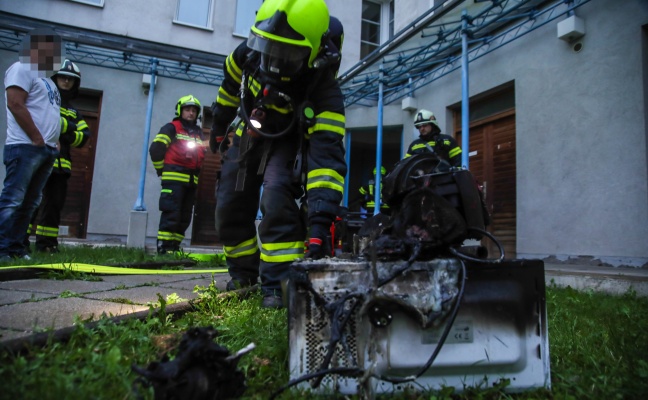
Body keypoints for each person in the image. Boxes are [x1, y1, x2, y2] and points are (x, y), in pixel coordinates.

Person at [209, 0, 346, 308]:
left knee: (277, 198)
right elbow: (229, 90)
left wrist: (320, 222)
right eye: (269, 46)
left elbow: (327, 159)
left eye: (288, 54)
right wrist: (218, 125)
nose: (273, 59)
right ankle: (243, 274)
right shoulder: (246, 56)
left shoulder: (324, 91)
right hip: (250, 131)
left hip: (288, 138)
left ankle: (277, 283)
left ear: (312, 54)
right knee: (230, 201)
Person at [0, 28, 62, 261]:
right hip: (25, 146)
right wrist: (36, 137)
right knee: (13, 199)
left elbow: (50, 113)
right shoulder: (22, 68)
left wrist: (53, 142)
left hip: (45, 149)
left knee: (30, 202)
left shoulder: (48, 81)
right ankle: (2, 249)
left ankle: (16, 248)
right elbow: (15, 103)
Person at [27, 59, 91, 253]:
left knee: (54, 206)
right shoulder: (44, 101)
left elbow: (83, 138)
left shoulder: (74, 111)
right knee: (31, 202)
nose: (66, 82)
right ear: (55, 78)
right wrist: (67, 127)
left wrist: (62, 126)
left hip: (62, 167)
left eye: (70, 79)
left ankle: (47, 245)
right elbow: (40, 122)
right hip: (39, 161)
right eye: (63, 77)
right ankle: (19, 241)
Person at [149, 95, 206, 255]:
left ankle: (174, 248)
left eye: (194, 110)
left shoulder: (199, 133)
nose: (191, 113)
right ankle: (164, 248)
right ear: (180, 111)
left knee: (184, 217)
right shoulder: (171, 128)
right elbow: (156, 149)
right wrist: (161, 170)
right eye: (187, 109)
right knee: (171, 214)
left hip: (191, 182)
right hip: (173, 180)